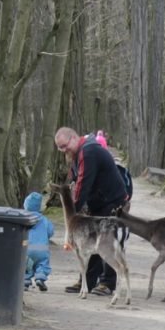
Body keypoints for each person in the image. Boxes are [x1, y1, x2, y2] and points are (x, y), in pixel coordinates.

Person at [55, 126, 131, 295]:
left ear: (73, 138)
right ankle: (87, 281)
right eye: (60, 148)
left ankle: (107, 283)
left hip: (113, 202)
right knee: (91, 240)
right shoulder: (77, 154)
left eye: (64, 145)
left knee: (108, 241)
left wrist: (72, 212)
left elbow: (82, 184)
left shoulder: (88, 152)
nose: (63, 150)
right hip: (99, 202)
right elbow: (76, 181)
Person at [23, 191, 54, 291]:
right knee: (42, 264)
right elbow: (50, 231)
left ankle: (25, 282)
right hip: (42, 248)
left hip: (26, 248)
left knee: (25, 265)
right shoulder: (44, 220)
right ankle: (40, 278)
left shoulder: (24, 219)